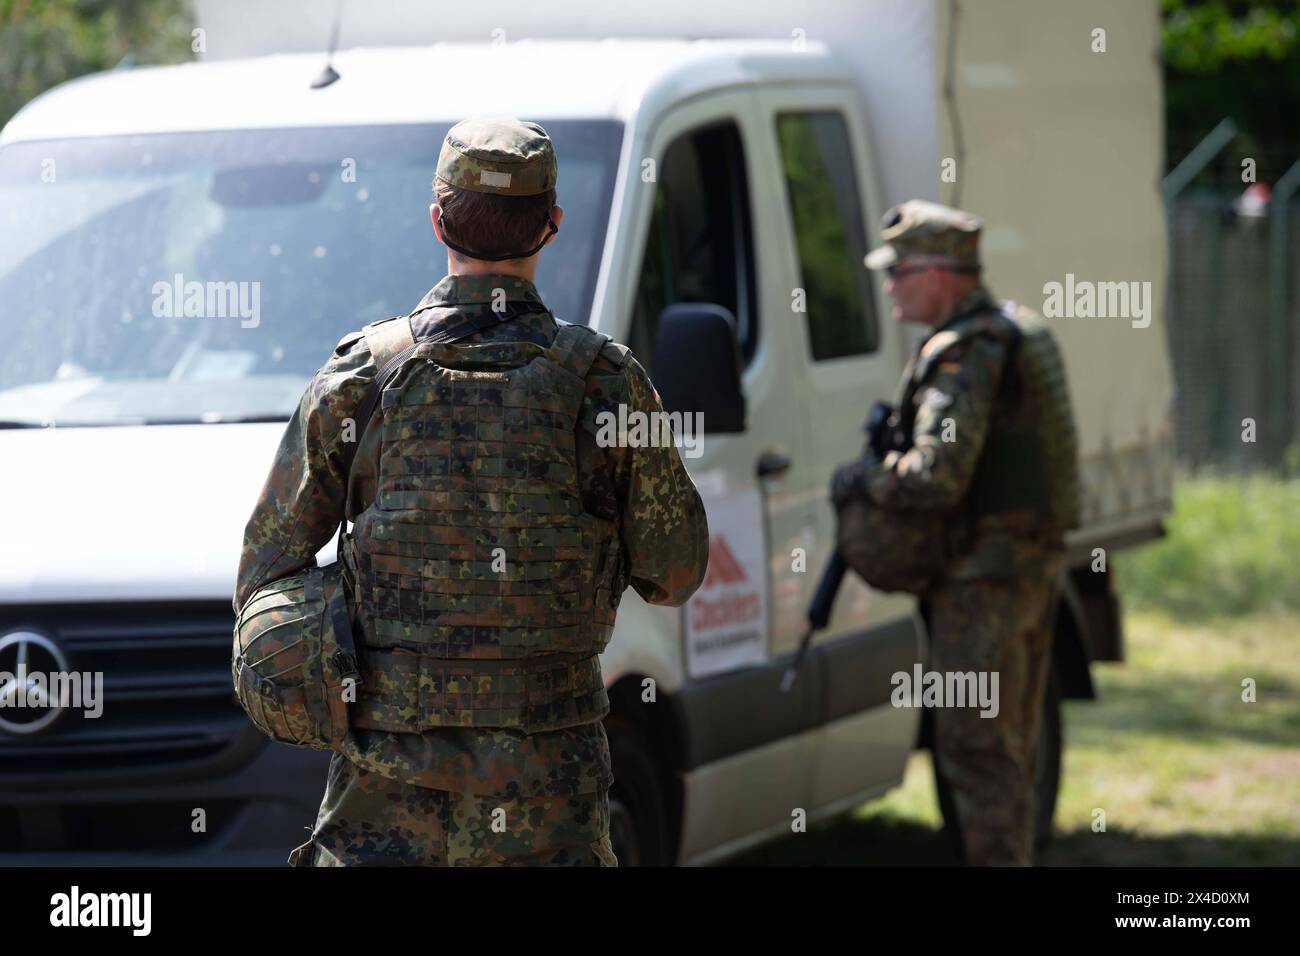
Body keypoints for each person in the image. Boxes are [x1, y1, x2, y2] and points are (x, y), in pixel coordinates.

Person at [233, 117, 709, 866]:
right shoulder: (608, 387)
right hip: (548, 804)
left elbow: (264, 576)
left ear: (437, 220)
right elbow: (676, 574)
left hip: (382, 803)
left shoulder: (361, 380)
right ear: (551, 225)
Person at [831, 199, 1080, 866]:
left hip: (983, 582)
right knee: (1010, 749)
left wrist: (863, 478)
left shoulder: (966, 352)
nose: (889, 286)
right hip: (1021, 569)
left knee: (978, 750)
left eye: (899, 271)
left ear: (941, 275)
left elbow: (933, 477)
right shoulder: (1009, 331)